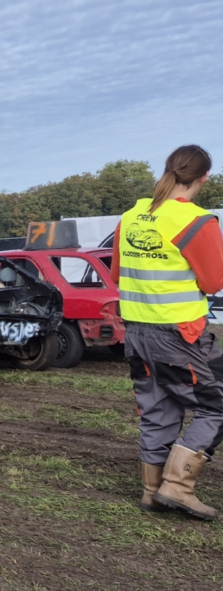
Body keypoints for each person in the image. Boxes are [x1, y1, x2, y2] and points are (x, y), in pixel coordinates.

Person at [111, 145, 223, 520]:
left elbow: (116, 276)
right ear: (203, 178)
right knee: (217, 406)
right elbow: (213, 280)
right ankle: (177, 488)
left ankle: (151, 492)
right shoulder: (196, 222)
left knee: (158, 410)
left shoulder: (130, 216)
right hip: (180, 335)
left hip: (136, 334)